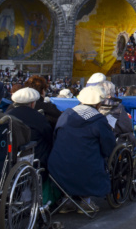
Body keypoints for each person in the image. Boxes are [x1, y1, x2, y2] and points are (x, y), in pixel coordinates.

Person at [48, 86, 115, 214]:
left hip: (58, 165)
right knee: (90, 159)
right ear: (98, 103)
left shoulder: (66, 114)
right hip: (86, 166)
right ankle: (86, 201)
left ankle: (65, 200)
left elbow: (55, 137)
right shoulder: (99, 120)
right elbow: (108, 145)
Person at [6, 87, 54, 167]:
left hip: (11, 158)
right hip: (34, 160)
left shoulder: (7, 114)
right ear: (32, 103)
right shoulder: (38, 117)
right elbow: (49, 137)